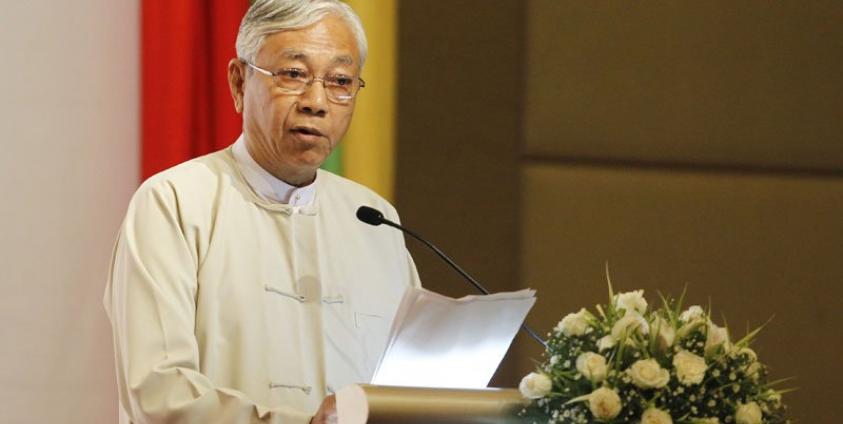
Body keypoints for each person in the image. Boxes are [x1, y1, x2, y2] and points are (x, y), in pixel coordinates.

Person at [103, 1, 420, 423]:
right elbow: (160, 391)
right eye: (294, 74)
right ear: (239, 82)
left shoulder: (374, 218)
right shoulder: (175, 203)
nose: (317, 101)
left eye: (340, 81)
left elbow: (416, 386)